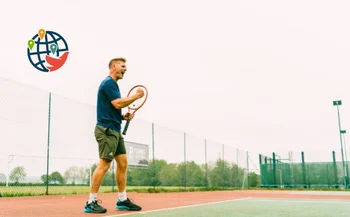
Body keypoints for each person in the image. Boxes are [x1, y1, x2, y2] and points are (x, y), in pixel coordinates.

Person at [84, 57, 144, 213]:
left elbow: (114, 107)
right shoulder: (109, 83)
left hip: (115, 129)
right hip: (106, 130)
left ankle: (122, 200)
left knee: (123, 162)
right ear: (113, 67)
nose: (126, 69)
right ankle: (91, 202)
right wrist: (136, 96)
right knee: (104, 164)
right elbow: (117, 103)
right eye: (123, 66)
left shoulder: (114, 85)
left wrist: (123, 117)